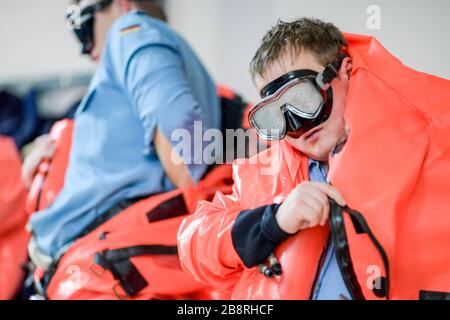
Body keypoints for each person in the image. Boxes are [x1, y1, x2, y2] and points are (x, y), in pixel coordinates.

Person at [178, 18, 450, 300]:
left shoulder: (432, 148)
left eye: (303, 98)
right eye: (276, 113)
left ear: (345, 72)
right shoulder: (267, 175)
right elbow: (193, 245)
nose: (296, 124)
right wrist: (270, 222)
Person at [25, 0, 221, 269]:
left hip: (102, 263)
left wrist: (195, 209)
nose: (85, 47)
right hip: (94, 258)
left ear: (121, 4)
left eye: (83, 23)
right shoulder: (155, 46)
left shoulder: (131, 31)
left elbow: (176, 121)